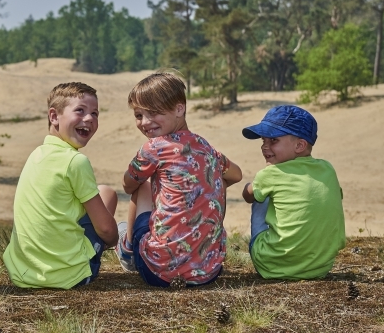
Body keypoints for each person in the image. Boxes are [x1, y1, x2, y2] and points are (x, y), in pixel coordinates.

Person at [115, 71, 243, 287]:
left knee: (142, 185)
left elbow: (128, 185)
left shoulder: (153, 148)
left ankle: (128, 250)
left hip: (158, 271)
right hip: (208, 272)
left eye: (154, 113)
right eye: (138, 115)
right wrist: (204, 187)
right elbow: (237, 174)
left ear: (179, 109)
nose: (145, 122)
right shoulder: (206, 148)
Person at [3, 82, 119, 288]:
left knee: (99, 194)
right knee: (108, 194)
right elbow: (106, 230)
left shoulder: (36, 154)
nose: (89, 118)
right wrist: (113, 241)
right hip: (69, 276)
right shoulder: (76, 162)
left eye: (95, 113)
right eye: (80, 110)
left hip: (22, 273)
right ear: (54, 116)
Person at [241, 105, 345, 280]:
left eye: (273, 140)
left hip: (271, 266)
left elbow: (247, 196)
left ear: (299, 145)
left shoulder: (270, 174)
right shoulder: (328, 169)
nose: (265, 147)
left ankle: (272, 251)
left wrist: (254, 183)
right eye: (263, 141)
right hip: (321, 267)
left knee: (260, 197)